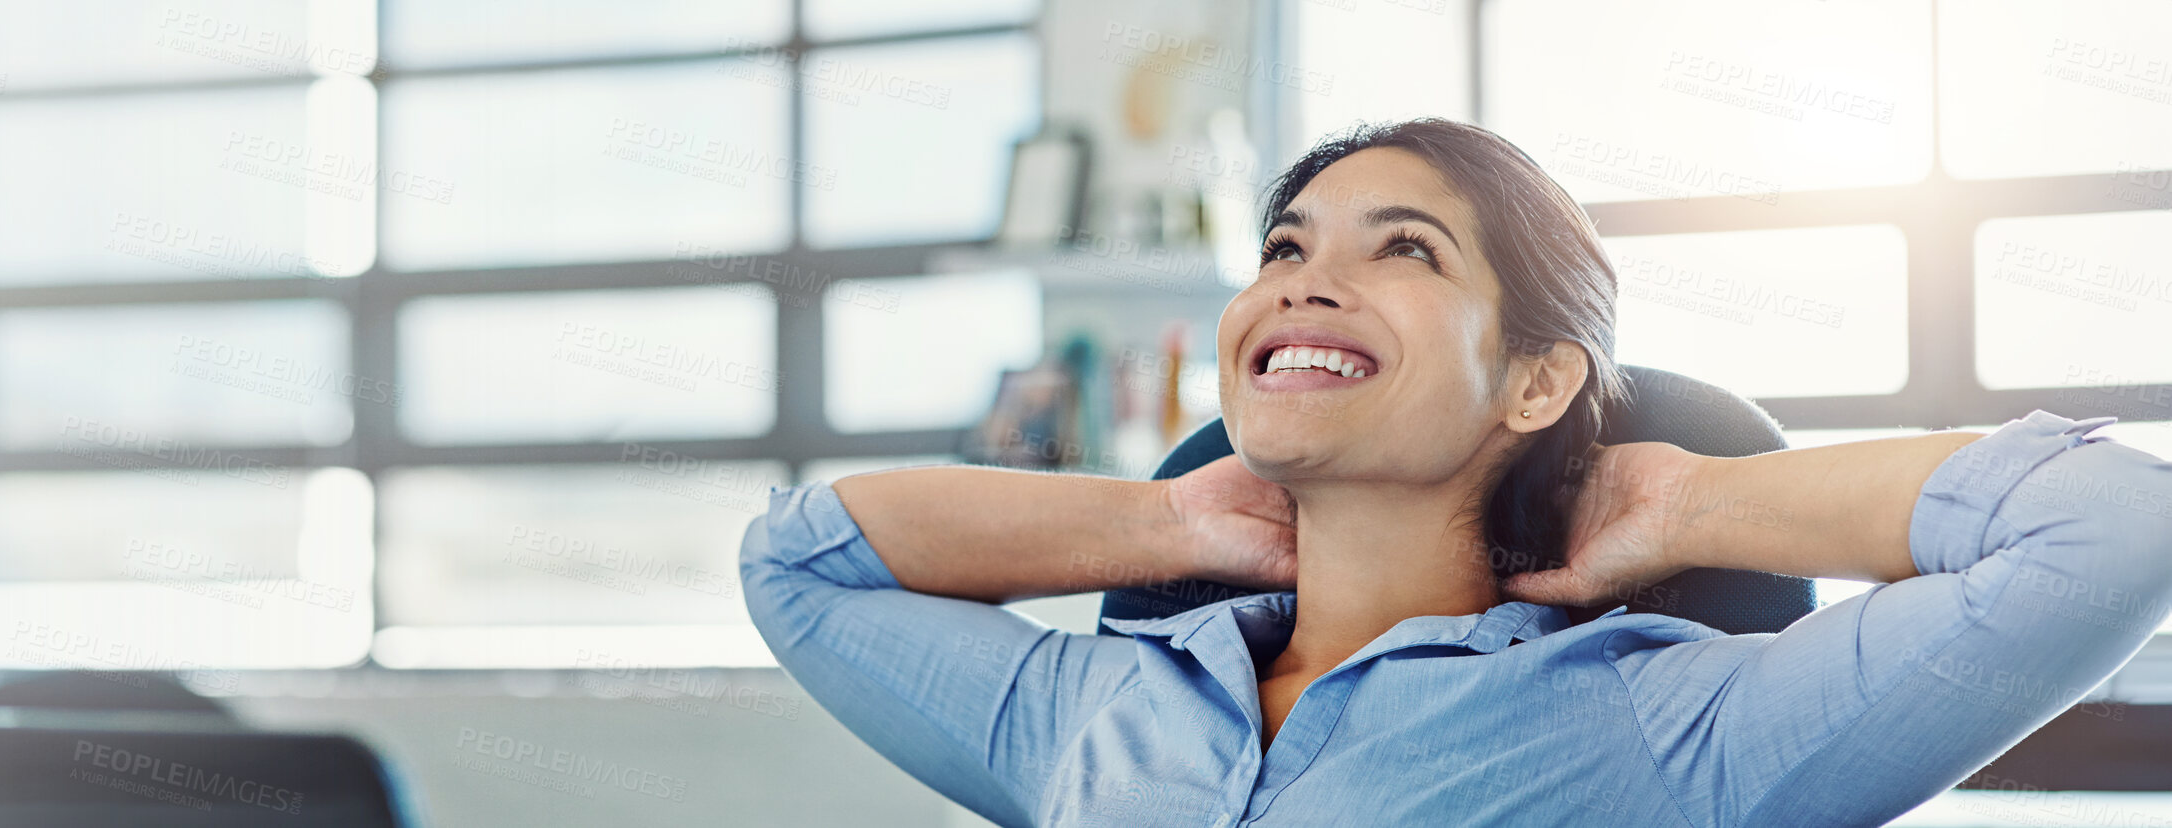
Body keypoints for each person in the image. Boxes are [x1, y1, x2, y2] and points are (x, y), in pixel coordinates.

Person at [738, 118, 2172, 827]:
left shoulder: (1661, 728)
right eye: (1286, 248)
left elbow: (2113, 526)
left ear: (1536, 383)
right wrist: (1163, 517)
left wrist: (1682, 505)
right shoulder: (1102, 702)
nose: (1302, 284)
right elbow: (796, 561)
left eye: (1400, 249)